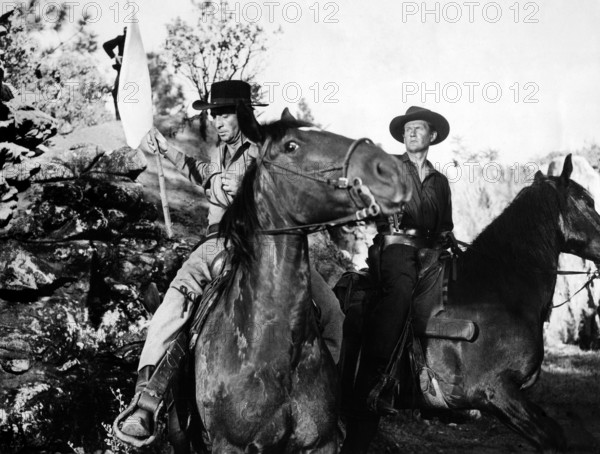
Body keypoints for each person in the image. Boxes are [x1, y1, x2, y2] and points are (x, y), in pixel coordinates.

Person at [116, 80, 344, 442]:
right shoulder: (222, 152)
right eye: (214, 115)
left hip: (267, 247)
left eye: (224, 114)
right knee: (176, 300)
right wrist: (168, 150)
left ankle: (325, 404)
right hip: (217, 243)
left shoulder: (263, 153)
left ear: (242, 113)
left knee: (332, 311)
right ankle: (146, 401)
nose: (218, 122)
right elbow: (203, 173)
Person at [341, 106, 453, 453]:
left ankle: (446, 387)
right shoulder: (388, 167)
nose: (412, 134)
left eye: (419, 129)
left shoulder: (439, 180)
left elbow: (446, 226)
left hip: (430, 250)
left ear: (432, 136)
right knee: (401, 289)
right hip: (395, 247)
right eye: (407, 129)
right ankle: (375, 381)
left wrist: (448, 243)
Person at [103, 27, 126, 121]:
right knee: (117, 92)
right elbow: (106, 45)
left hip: (133, 69)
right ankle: (119, 118)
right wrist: (115, 56)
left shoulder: (136, 41)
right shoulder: (121, 38)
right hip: (122, 68)